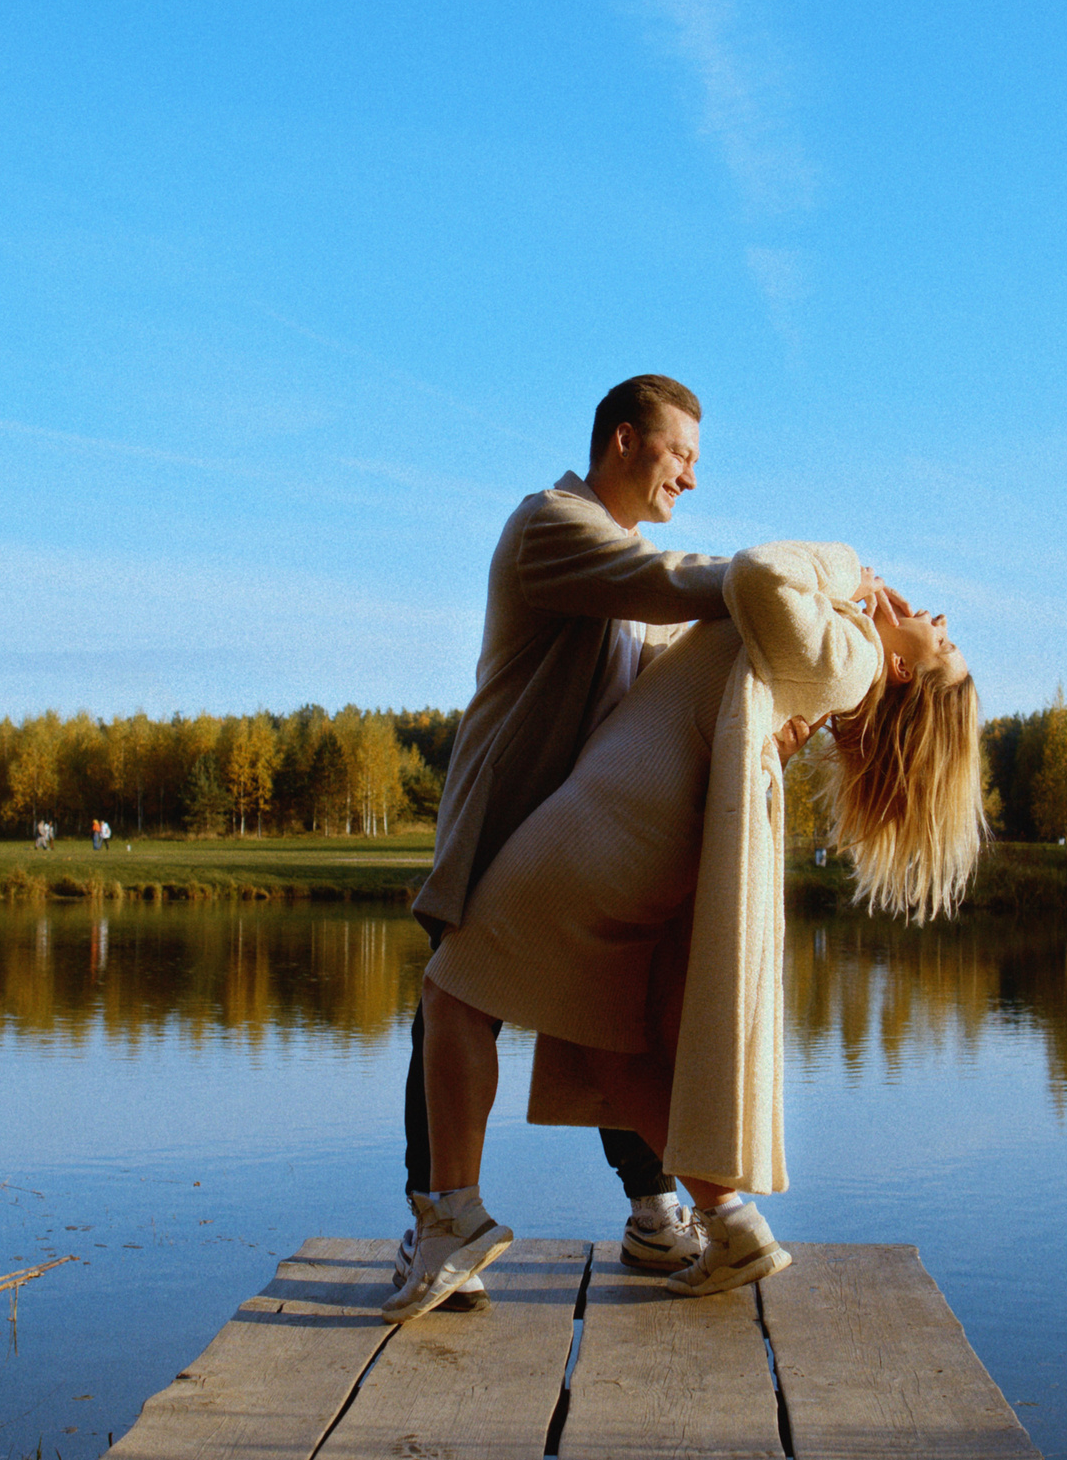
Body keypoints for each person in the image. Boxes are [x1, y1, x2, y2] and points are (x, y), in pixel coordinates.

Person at [388, 542, 982, 1320]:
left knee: (453, 991)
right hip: (637, 829)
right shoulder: (837, 652)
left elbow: (759, 574)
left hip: (603, 829)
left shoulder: (854, 655)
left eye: (944, 642)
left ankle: (451, 1219)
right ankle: (732, 1227)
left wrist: (848, 571)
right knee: (610, 1050)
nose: (938, 620)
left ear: (904, 674)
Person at [393, 375, 732, 1315]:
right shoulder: (555, 525)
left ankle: (655, 1208)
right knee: (454, 1011)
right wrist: (777, 580)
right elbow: (673, 585)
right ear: (624, 442)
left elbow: (663, 671)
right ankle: (439, 1223)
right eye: (680, 456)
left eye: (697, 463)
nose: (691, 479)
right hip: (502, 817)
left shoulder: (615, 558)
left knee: (602, 1015)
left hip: (574, 833)